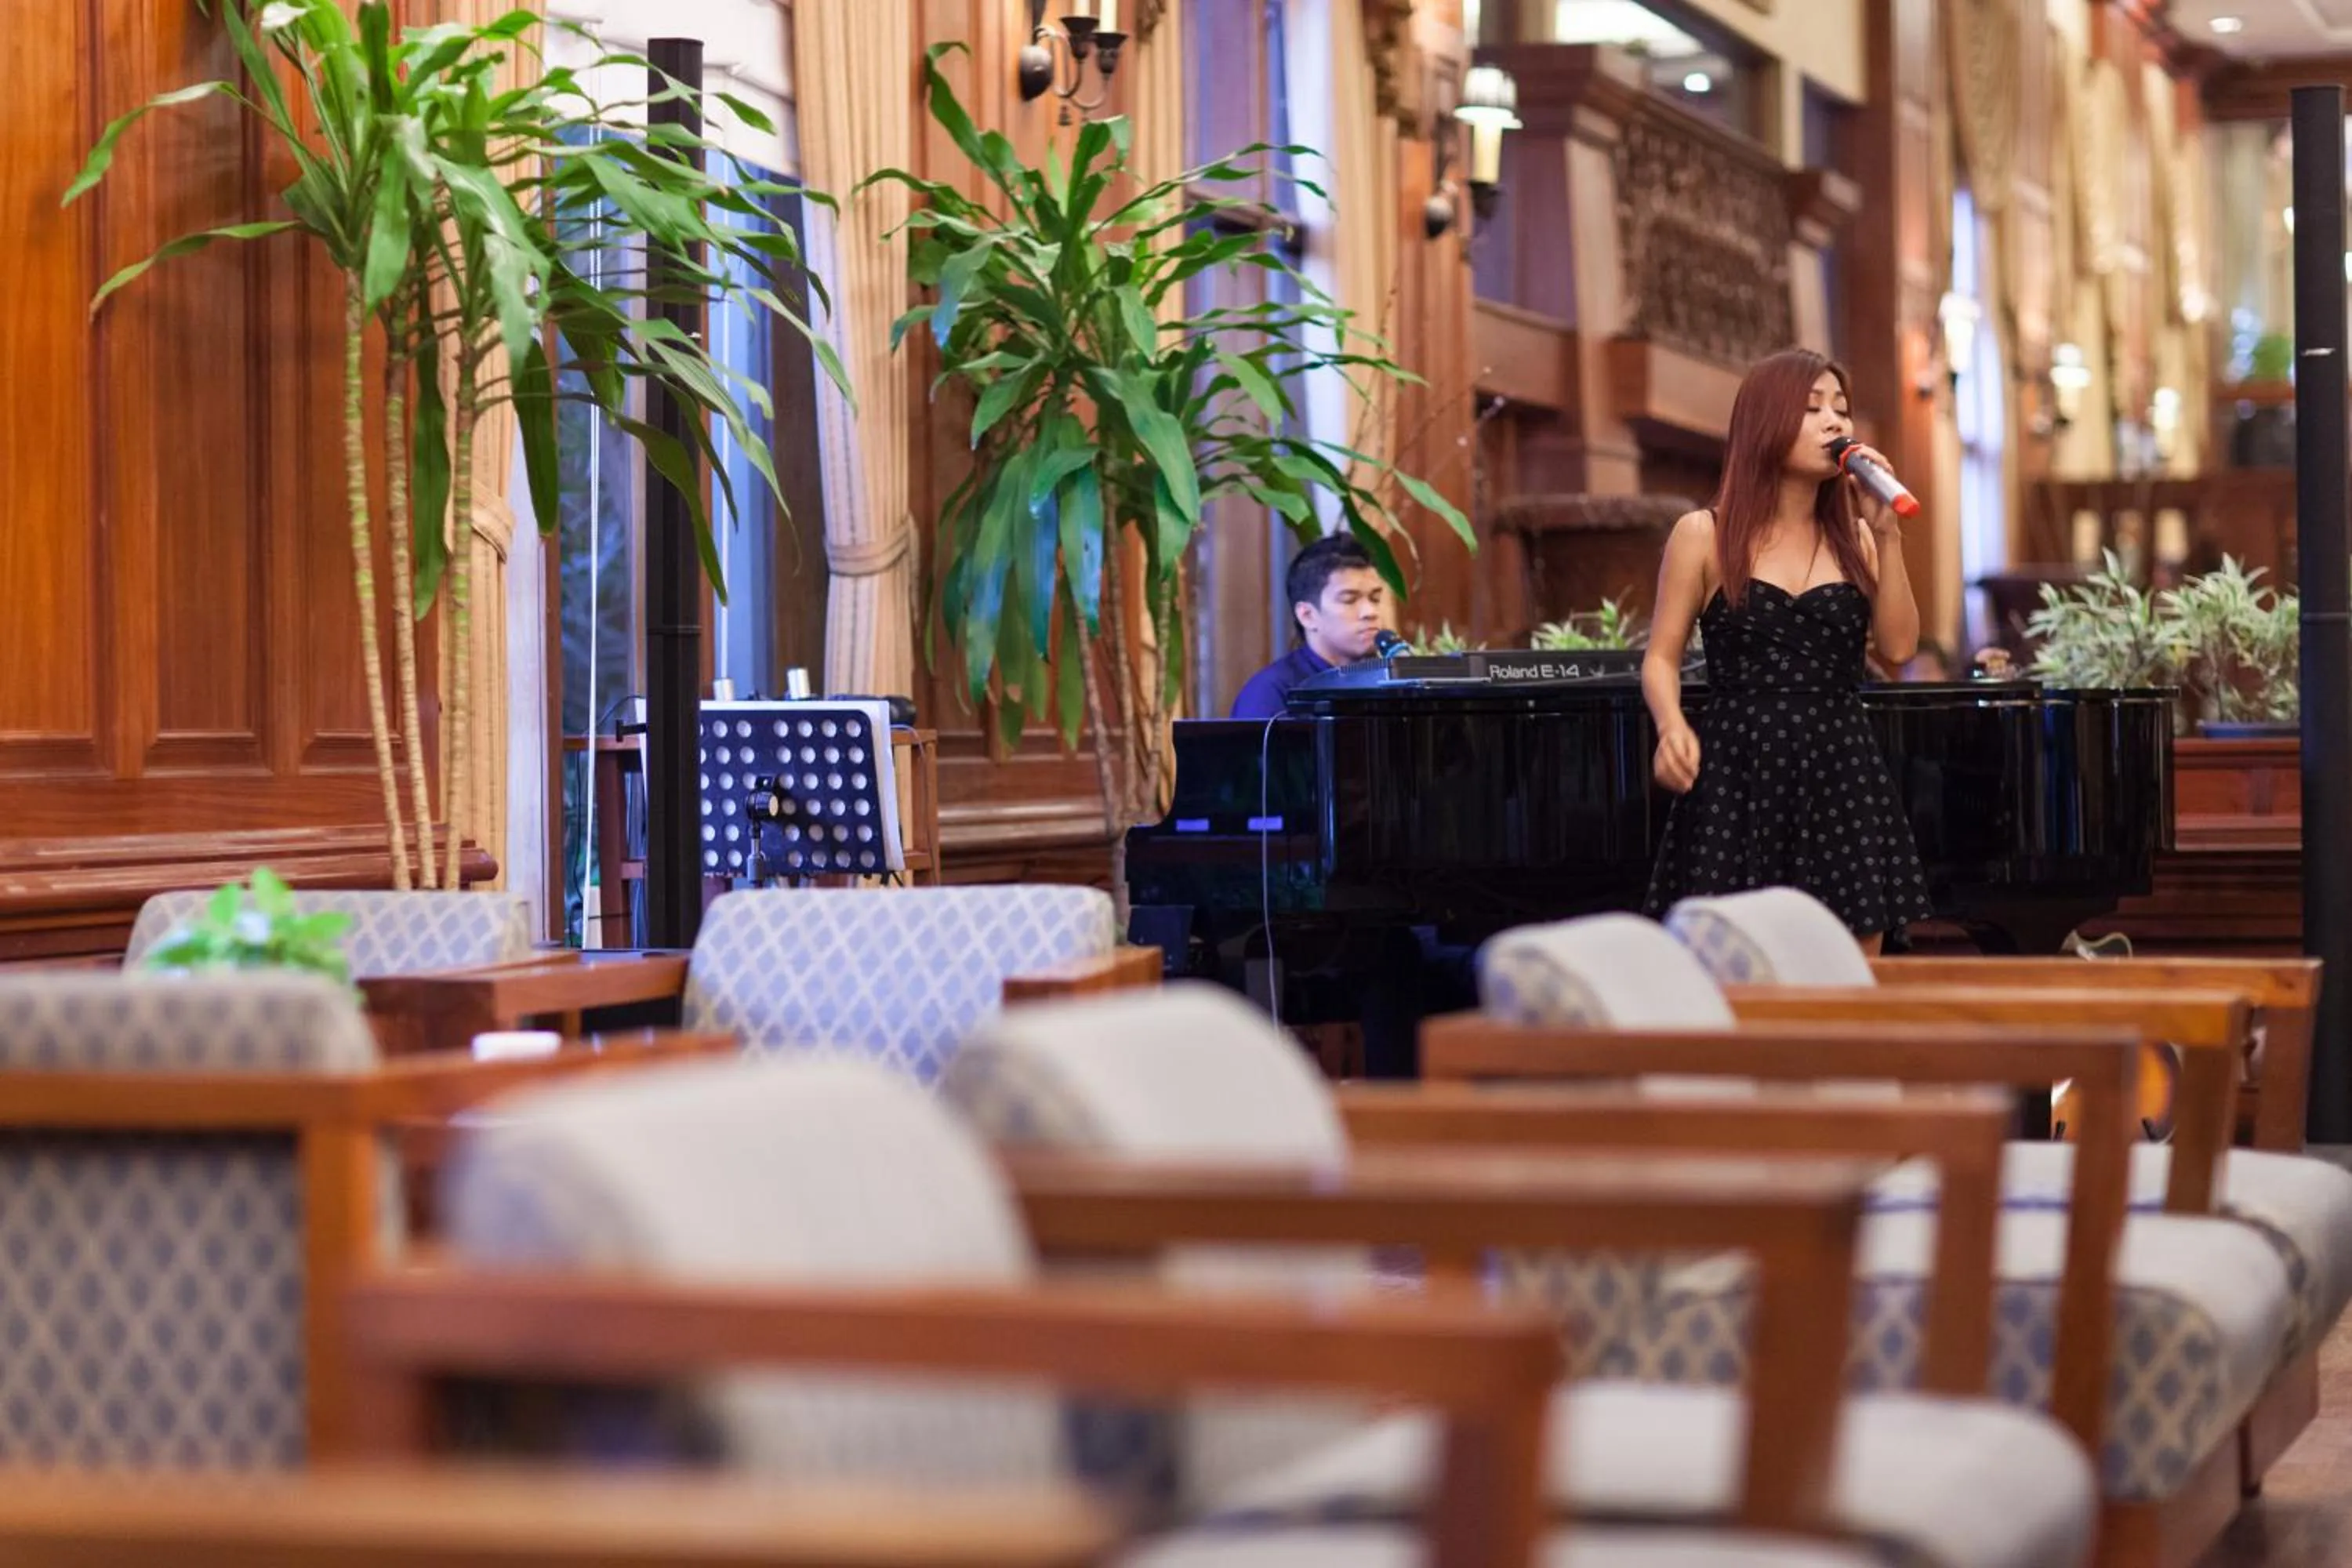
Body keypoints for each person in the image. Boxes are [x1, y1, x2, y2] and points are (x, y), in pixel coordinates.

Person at [1640, 347, 1933, 954]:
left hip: (1840, 765)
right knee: (1732, 967)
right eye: (1812, 408)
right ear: (1765, 423)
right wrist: (1671, 727)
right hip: (1738, 768)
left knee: (1856, 972)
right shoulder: (1704, 534)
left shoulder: (1857, 538)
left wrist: (1887, 534)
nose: (1836, 423)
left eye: (1842, 410)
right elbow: (1662, 657)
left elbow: (1901, 646)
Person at [1230, 533, 1388, 720]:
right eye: (1349, 600)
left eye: (1375, 599)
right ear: (1307, 615)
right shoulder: (1271, 694)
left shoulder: (1387, 682)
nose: (1370, 612)